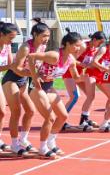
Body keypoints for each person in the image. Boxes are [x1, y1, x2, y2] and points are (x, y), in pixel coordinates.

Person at [28, 28, 83, 158]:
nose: (78, 49)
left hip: (49, 87)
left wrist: (84, 77)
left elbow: (76, 78)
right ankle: (42, 148)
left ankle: (51, 142)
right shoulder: (54, 56)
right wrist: (35, 78)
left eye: (79, 46)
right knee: (50, 117)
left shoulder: (71, 60)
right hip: (37, 88)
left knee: (63, 116)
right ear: (68, 44)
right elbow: (31, 57)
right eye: (76, 45)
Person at [2, 18, 49, 155]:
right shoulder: (25, 47)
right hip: (12, 79)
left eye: (48, 36)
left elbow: (37, 66)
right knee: (16, 111)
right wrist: (32, 75)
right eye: (44, 36)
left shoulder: (42, 47)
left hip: (24, 80)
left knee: (30, 111)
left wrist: (40, 74)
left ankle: (23, 139)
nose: (46, 39)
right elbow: (16, 67)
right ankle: (14, 143)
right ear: (35, 35)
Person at [62, 31, 106, 130]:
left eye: (102, 43)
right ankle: (61, 120)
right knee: (74, 97)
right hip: (69, 73)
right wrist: (83, 65)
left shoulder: (94, 49)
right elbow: (71, 59)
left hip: (79, 75)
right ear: (94, 39)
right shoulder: (83, 46)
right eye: (100, 42)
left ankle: (85, 118)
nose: (100, 44)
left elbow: (90, 63)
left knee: (90, 96)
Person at [89, 31, 110, 132]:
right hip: (97, 76)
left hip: (105, 77)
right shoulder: (104, 49)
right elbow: (94, 62)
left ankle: (106, 120)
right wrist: (106, 70)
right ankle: (103, 123)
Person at [0, 22, 18, 153]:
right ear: (1, 35)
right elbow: (9, 66)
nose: (12, 40)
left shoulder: (7, 46)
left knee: (2, 112)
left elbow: (12, 64)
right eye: (10, 37)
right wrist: (10, 66)